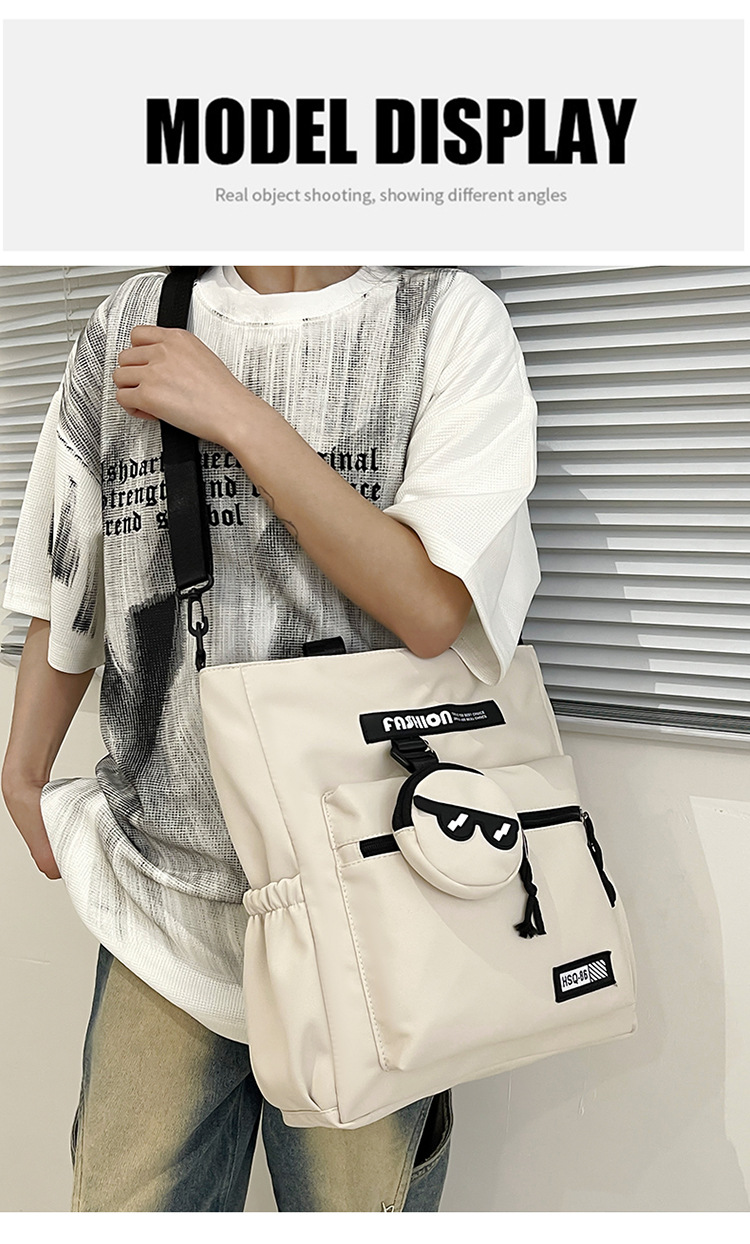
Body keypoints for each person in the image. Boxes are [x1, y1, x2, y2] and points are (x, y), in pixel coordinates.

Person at [1, 265, 541, 1212]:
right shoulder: (131, 322)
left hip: (373, 909)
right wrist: (23, 765)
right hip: (162, 898)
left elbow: (429, 607)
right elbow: (70, 566)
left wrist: (239, 418)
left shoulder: (444, 319)